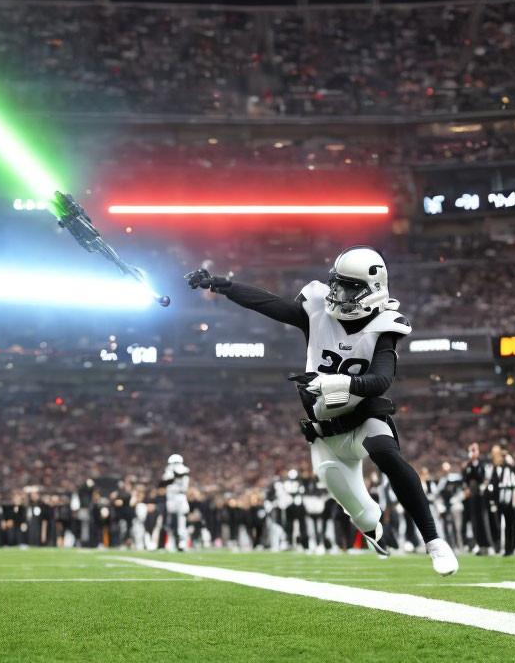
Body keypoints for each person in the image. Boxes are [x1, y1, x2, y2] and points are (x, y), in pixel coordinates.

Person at [186, 245, 458, 575]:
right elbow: (272, 305)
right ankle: (372, 531)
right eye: (337, 284)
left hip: (362, 418)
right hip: (325, 432)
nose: (338, 292)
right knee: (364, 514)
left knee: (385, 451)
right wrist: (225, 286)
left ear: (373, 290)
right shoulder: (317, 312)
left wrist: (335, 384)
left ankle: (434, 541)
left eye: (349, 287)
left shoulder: (386, 325)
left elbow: (381, 380)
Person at [161, 453, 190, 551]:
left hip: (180, 496)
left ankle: (181, 542)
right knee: (171, 521)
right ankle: (172, 541)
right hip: (172, 498)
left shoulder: (183, 470)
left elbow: (181, 475)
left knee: (181, 521)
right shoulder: (169, 471)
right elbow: (164, 482)